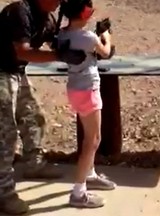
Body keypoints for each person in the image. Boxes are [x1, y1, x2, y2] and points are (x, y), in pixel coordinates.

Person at [0, 0, 87, 214]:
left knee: (33, 116)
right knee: (5, 134)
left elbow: (55, 42)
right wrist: (60, 56)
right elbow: (23, 51)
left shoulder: (45, 18)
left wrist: (87, 40)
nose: (59, 2)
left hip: (16, 72)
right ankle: (3, 193)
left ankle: (34, 163)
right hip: (1, 70)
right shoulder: (20, 12)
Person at [57, 0, 117, 208]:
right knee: (92, 140)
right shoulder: (89, 37)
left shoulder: (63, 33)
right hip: (88, 89)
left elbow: (79, 39)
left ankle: (89, 174)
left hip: (74, 88)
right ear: (84, 13)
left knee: (89, 137)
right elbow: (106, 52)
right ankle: (78, 192)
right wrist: (106, 35)